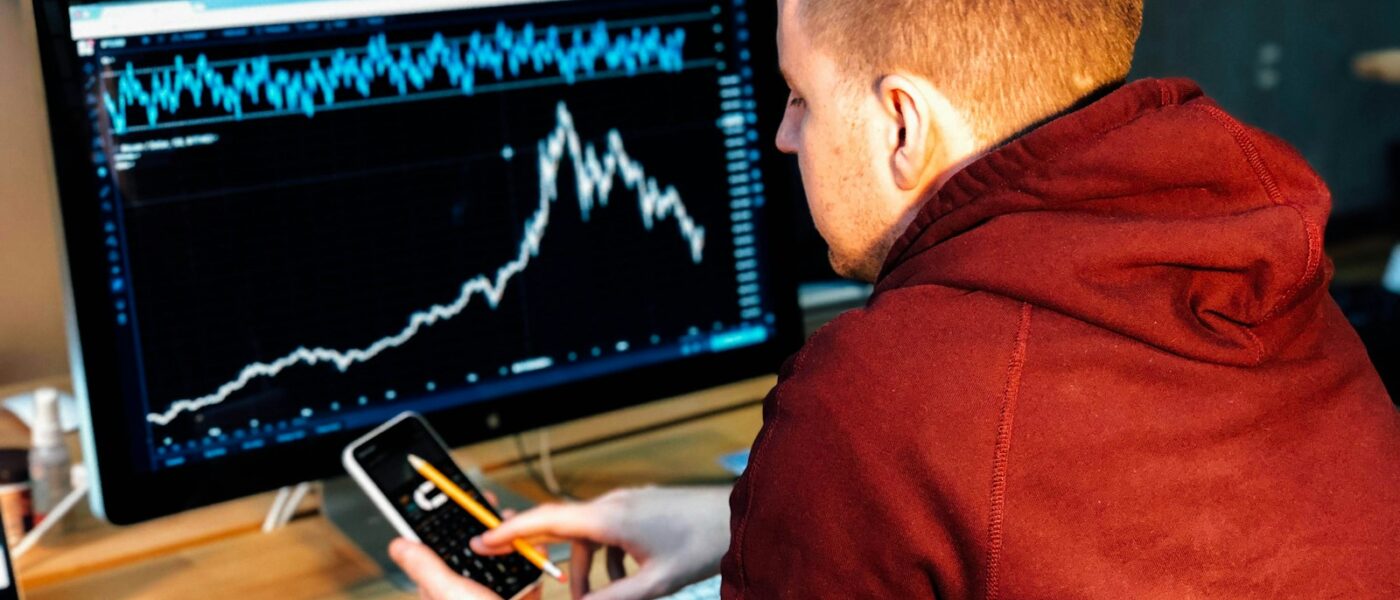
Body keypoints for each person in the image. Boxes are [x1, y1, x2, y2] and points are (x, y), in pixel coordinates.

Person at [391, 0, 1400, 598]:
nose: (783, 137)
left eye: (798, 97)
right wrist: (751, 517)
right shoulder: (1266, 276)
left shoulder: (881, 396)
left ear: (902, 125)